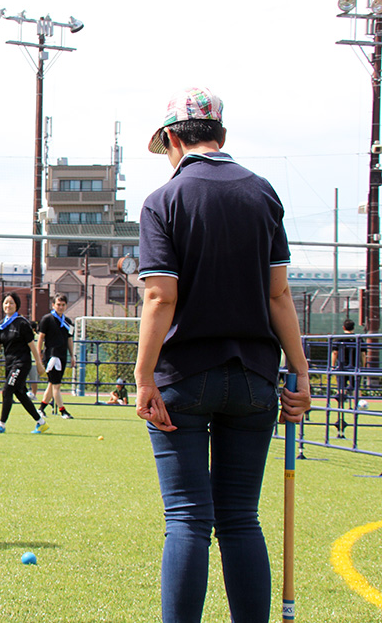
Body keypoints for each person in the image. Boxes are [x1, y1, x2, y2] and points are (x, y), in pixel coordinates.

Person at [134, 86, 311, 623]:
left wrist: (143, 377)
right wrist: (300, 372)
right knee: (239, 519)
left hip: (183, 379)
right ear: (222, 136)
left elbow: (160, 296)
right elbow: (279, 294)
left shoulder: (164, 200)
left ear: (170, 138)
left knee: (188, 520)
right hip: (256, 378)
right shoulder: (263, 193)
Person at [0, 292, 48, 434]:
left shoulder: (22, 323)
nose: (8, 305)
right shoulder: (1, 325)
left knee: (7, 390)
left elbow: (32, 345)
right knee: (20, 393)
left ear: (16, 305)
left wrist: (39, 363)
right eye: (6, 302)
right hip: (10, 364)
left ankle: (1, 424)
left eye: (11, 303)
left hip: (21, 363)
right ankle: (41, 422)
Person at [37, 294, 75, 419]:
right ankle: (62, 410)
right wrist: (39, 354)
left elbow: (70, 339)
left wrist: (72, 355)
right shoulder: (47, 319)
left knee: (52, 384)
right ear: (53, 305)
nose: (60, 307)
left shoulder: (68, 322)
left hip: (62, 355)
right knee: (56, 385)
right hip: (52, 355)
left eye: (63, 305)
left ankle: (41, 409)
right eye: (58, 304)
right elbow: (41, 337)